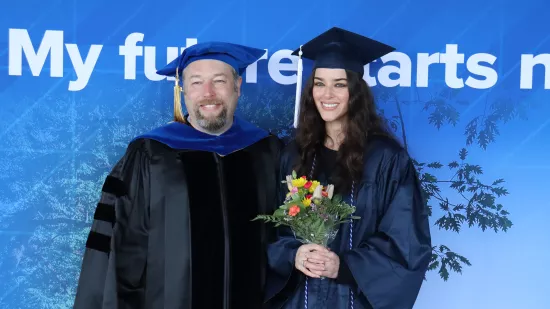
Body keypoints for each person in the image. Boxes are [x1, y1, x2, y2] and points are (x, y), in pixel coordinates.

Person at [73, 41, 283, 309]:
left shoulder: (267, 151)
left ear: (237, 87)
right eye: (196, 82)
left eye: (219, 81)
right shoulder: (150, 153)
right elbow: (121, 247)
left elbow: (285, 239)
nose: (208, 92)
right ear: (182, 90)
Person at [263, 27, 432, 309]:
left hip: (353, 301)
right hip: (297, 301)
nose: (327, 94)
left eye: (339, 84)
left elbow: (407, 242)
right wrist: (294, 254)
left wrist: (343, 266)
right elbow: (269, 233)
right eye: (319, 83)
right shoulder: (294, 155)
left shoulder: (386, 159)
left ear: (355, 92)